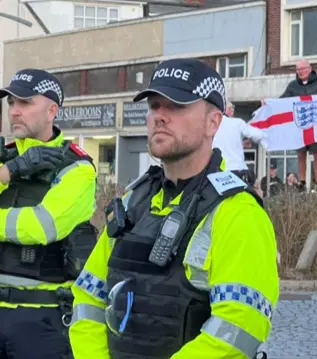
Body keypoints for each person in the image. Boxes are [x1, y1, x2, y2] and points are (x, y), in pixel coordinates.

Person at [68, 58, 279, 359]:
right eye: (154, 105)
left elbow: (238, 327)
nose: (159, 117)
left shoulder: (238, 211)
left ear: (213, 122)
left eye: (177, 106)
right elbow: (89, 297)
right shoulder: (131, 202)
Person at [0, 68, 98, 359]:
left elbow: (42, 226)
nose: (14, 111)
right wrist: (8, 171)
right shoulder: (4, 160)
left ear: (51, 110)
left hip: (41, 320)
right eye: (11, 103)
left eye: (25, 103)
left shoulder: (77, 168)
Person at [278, 60, 317, 191]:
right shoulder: (293, 86)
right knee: (301, 154)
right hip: (300, 127)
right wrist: (268, 103)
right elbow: (281, 101)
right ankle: (302, 182)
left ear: (309, 69)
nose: (300, 72)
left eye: (302, 69)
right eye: (297, 70)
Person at [212, 100, 266, 187]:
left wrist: (241, 144)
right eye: (233, 109)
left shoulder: (212, 125)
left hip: (218, 173)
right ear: (229, 110)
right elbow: (258, 135)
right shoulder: (237, 123)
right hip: (237, 170)